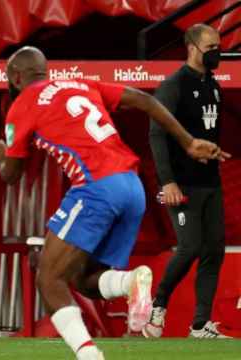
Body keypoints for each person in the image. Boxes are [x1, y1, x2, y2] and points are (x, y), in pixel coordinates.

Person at [0, 46, 228, 360]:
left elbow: (12, 175)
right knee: (80, 280)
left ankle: (89, 355)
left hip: (95, 188)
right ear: (44, 70)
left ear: (15, 77)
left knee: (48, 279)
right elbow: (146, 100)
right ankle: (131, 281)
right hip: (132, 188)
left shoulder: (22, 104)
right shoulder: (81, 84)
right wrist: (188, 141)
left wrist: (2, 158)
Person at [144, 24, 230, 339]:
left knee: (214, 250)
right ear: (192, 47)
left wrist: (215, 151)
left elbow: (204, 133)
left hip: (211, 183)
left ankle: (199, 325)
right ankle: (158, 306)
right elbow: (156, 133)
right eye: (210, 47)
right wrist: (167, 181)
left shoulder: (215, 87)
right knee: (190, 246)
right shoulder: (174, 85)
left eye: (218, 46)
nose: (216, 53)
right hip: (180, 185)